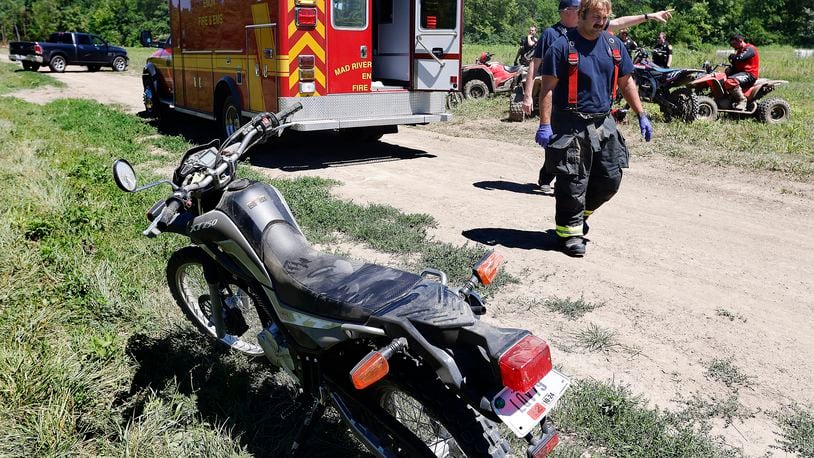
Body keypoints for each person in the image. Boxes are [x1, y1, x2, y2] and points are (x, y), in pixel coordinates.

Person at [536, 0, 652, 257]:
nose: (600, 23)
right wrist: (545, 124)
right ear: (581, 15)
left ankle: (579, 216)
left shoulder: (614, 45)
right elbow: (547, 89)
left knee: (610, 178)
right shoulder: (562, 46)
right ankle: (569, 234)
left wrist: (641, 114)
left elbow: (626, 81)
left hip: (604, 121)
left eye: (604, 18)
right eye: (595, 18)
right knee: (574, 180)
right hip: (571, 123)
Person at [522, 0, 672, 195]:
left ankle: (574, 198)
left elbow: (621, 23)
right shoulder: (552, 35)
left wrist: (648, 16)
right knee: (566, 164)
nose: (601, 21)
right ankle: (551, 179)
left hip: (598, 115)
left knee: (603, 174)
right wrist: (529, 98)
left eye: (604, 18)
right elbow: (536, 64)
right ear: (570, 12)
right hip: (567, 112)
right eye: (576, 9)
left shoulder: (598, 31)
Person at [725, 33, 759, 110]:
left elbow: (740, 58)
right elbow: (736, 63)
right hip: (741, 73)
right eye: (731, 44)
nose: (732, 46)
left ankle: (742, 101)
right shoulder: (739, 51)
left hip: (750, 74)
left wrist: (733, 56)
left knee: (730, 82)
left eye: (734, 43)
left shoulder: (750, 49)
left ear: (740, 41)